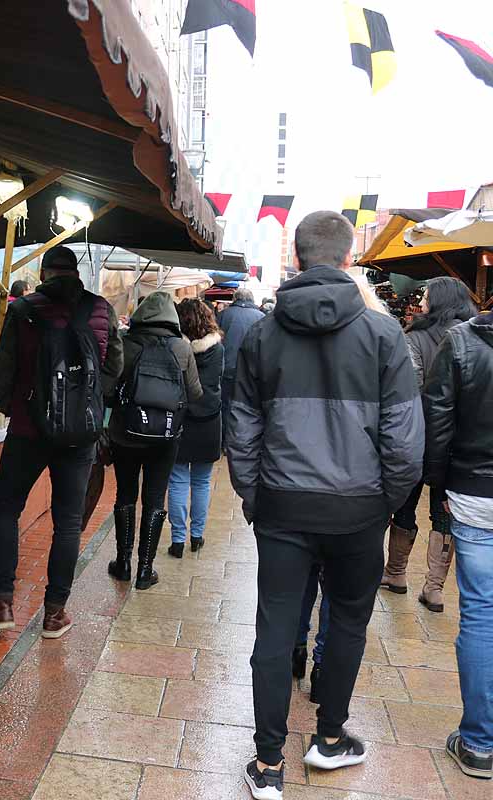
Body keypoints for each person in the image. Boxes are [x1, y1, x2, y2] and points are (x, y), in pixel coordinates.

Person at [227, 211, 423, 800]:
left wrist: (255, 494)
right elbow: (405, 442)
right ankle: (329, 738)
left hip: (284, 505)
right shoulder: (385, 335)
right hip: (357, 510)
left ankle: (267, 763)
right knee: (346, 623)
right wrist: (383, 501)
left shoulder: (263, 334)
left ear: (297, 260)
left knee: (275, 624)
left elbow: (242, 428)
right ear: (346, 260)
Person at [0, 246, 122, 639]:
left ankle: (1, 603)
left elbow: (5, 371)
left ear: (43, 272)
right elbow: (114, 367)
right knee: (67, 523)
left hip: (28, 430)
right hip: (80, 436)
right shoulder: (102, 310)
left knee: (6, 510)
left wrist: (16, 409)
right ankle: (55, 614)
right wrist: (88, 404)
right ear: (75, 274)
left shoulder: (23, 310)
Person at [294, 275, 394, 702]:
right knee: (342, 591)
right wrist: (390, 497)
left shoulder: (293, 340)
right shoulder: (383, 342)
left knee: (301, 580)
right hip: (358, 495)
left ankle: (294, 651)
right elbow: (400, 435)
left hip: (297, 487)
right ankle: (322, 671)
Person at [424, 306, 493, 780]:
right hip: (472, 491)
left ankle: (479, 744)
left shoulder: (463, 342)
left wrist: (437, 486)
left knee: (481, 612)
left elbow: (438, 422)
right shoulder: (459, 341)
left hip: (474, 493)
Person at [382, 277, 477, 613]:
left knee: (405, 503)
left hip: (419, 435)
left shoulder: (415, 336)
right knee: (444, 511)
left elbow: (410, 387)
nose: (420, 300)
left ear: (437, 300)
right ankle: (434, 589)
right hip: (461, 443)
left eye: (425, 296)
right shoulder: (475, 337)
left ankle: (396, 573)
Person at [107, 292, 202, 590]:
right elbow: (195, 393)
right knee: (155, 497)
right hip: (166, 436)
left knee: (125, 494)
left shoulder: (126, 342)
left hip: (126, 433)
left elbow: (109, 388)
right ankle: (145, 571)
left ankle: (123, 563)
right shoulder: (182, 348)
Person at [167, 298, 224, 557]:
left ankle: (177, 540)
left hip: (180, 417)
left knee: (177, 480)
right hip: (209, 419)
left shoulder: (176, 347)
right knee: (201, 482)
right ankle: (197, 536)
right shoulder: (218, 349)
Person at [218, 286, 265, 421]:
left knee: (225, 404)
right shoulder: (261, 317)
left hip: (227, 367)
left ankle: (225, 435)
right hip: (251, 370)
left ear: (235, 298)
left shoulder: (224, 315)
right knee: (248, 406)